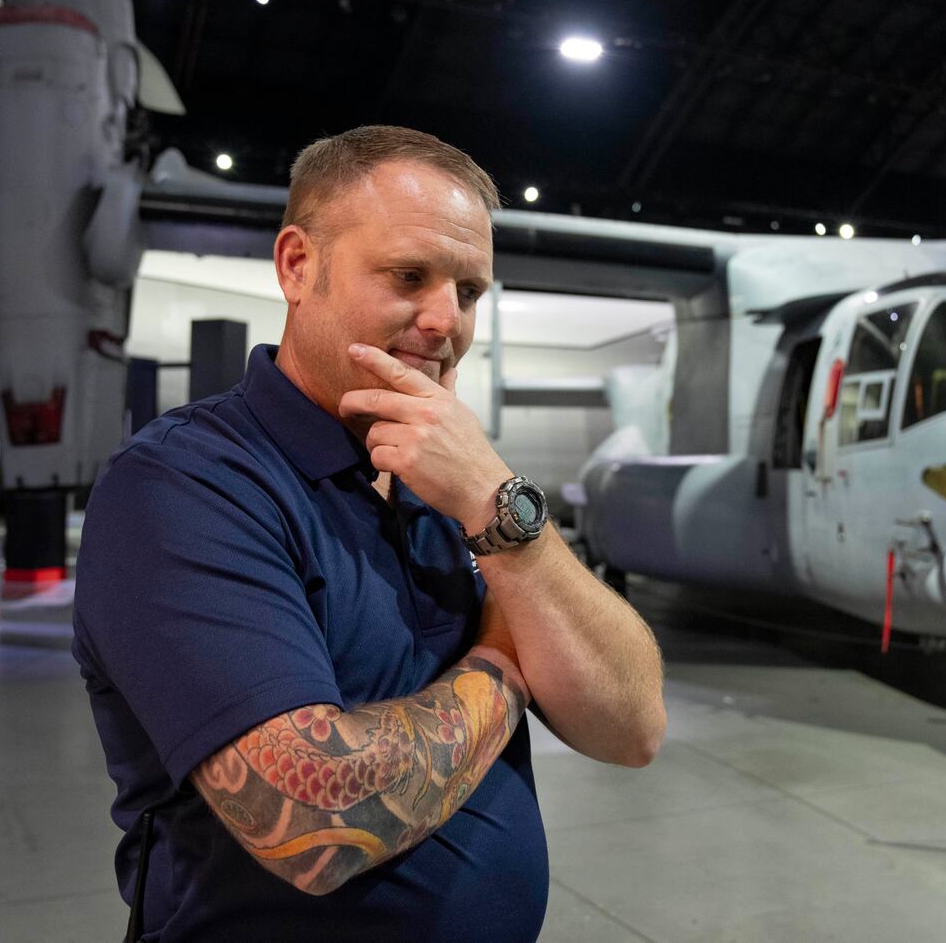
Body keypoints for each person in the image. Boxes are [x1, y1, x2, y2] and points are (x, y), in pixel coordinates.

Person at [73, 125, 666, 942]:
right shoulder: (185, 483)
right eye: (410, 276)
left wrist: (503, 513)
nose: (445, 321)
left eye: (469, 292)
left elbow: (633, 727)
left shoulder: (455, 483)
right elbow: (315, 818)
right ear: (296, 265)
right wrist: (500, 663)